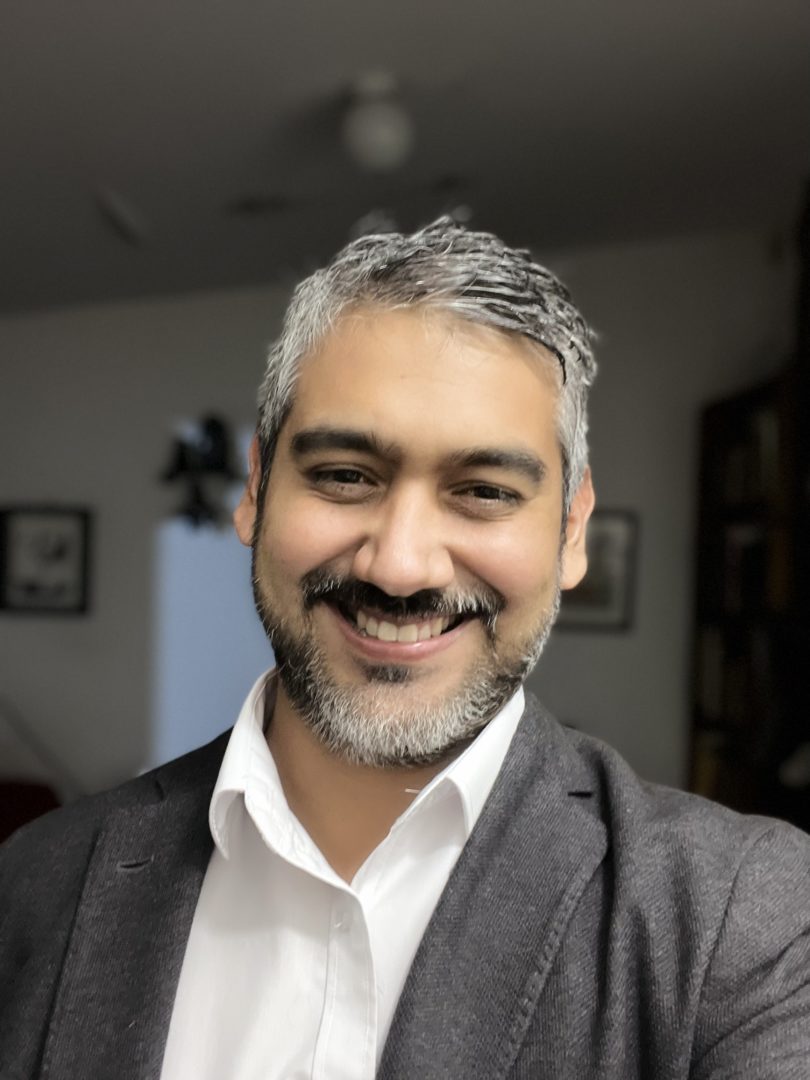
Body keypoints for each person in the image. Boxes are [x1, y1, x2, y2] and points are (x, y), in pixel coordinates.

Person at [1, 220, 809, 1080]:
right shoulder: (35, 883)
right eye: (345, 475)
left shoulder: (745, 920)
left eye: (484, 491)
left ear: (572, 532)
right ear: (256, 490)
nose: (399, 566)